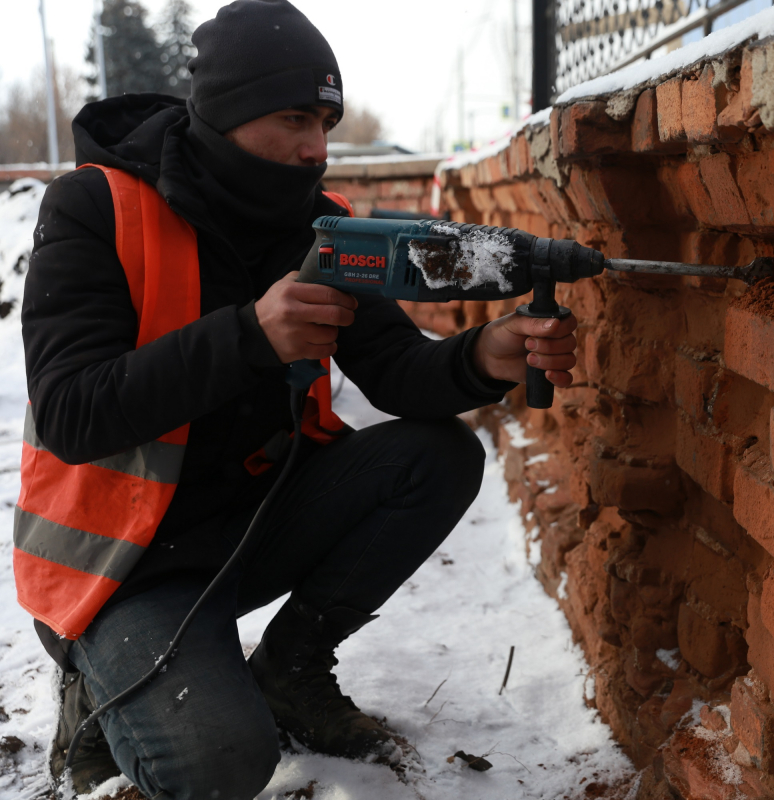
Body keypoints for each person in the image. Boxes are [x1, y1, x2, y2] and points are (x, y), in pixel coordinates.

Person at [19, 1, 578, 796]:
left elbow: (394, 371)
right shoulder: (93, 209)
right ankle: (96, 687)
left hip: (248, 526)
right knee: (220, 765)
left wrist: (483, 357)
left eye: (326, 119)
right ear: (221, 112)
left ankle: (291, 669)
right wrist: (249, 335)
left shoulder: (320, 227)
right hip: (122, 566)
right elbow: (74, 411)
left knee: (436, 455)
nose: (317, 146)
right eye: (293, 118)